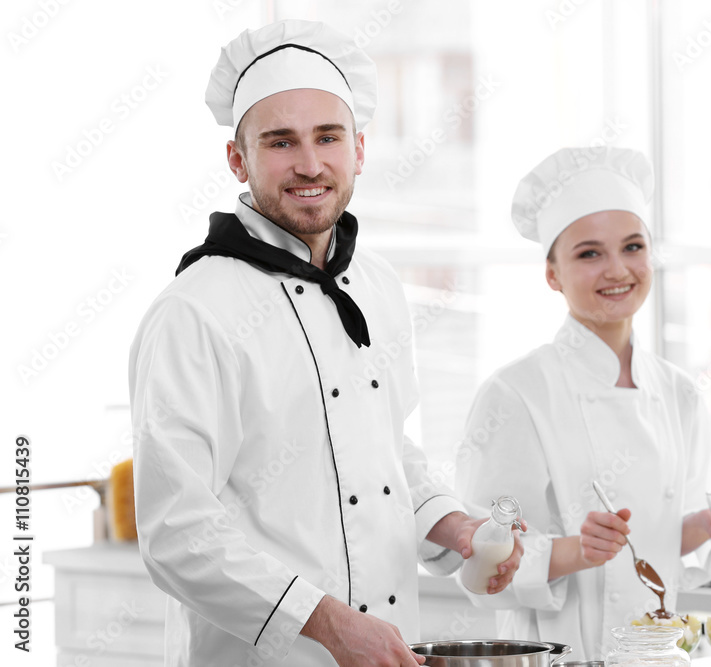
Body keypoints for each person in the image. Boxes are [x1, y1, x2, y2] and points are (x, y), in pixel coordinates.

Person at [129, 20, 521, 667]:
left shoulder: (378, 284)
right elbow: (177, 530)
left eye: (327, 137)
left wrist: (453, 524)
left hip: (394, 648)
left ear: (360, 149)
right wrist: (325, 622)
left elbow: (386, 447)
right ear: (238, 158)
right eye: (281, 142)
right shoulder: (193, 312)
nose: (309, 164)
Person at [455, 147, 711, 660]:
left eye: (633, 247)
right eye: (589, 253)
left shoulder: (679, 394)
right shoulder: (516, 394)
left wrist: (710, 528)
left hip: (659, 651)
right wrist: (575, 551)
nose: (617, 270)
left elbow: (654, 543)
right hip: (557, 657)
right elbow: (479, 566)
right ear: (552, 274)